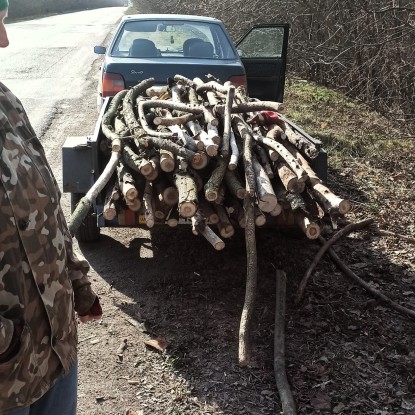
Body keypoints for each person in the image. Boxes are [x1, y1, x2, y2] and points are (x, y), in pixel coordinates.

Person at [0, 1, 103, 413]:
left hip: (55, 348)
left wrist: (76, 283)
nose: (4, 41)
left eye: (3, 22)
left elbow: (49, 210)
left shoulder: (6, 104)